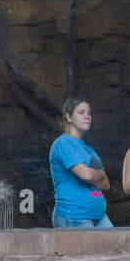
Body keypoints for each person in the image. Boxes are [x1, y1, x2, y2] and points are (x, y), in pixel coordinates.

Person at [49, 96, 114, 228]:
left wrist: (92, 173)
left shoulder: (89, 150)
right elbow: (86, 175)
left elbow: (106, 184)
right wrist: (98, 174)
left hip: (99, 216)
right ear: (69, 117)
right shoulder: (63, 143)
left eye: (89, 113)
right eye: (81, 112)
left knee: (117, 247)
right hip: (74, 216)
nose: (87, 116)